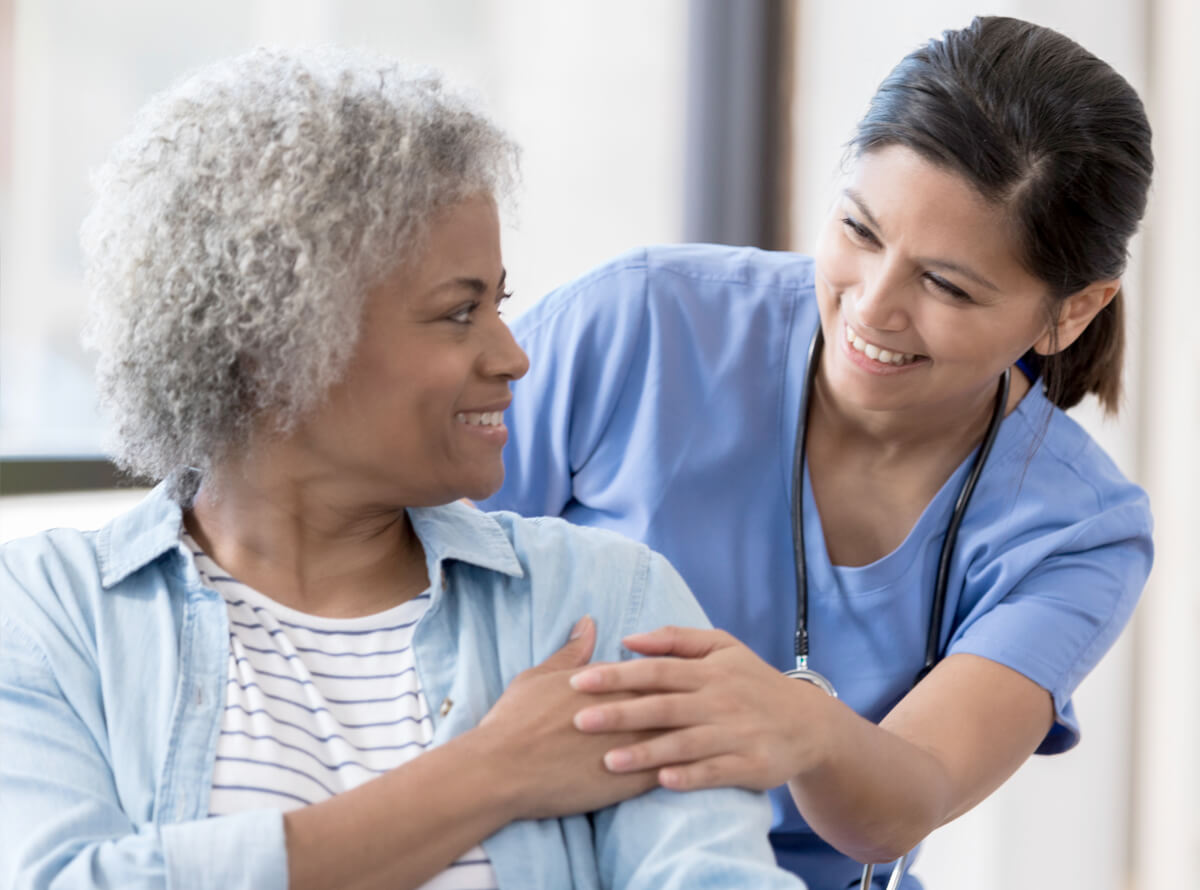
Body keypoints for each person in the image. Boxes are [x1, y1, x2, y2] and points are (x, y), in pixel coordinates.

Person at [0, 48, 807, 890]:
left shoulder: (605, 604)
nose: (514, 356)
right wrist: (489, 772)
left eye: (500, 302)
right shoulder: (51, 616)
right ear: (278, 349)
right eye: (458, 312)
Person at [480, 16, 1154, 890]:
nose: (872, 308)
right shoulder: (644, 323)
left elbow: (905, 802)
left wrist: (800, 726)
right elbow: (402, 558)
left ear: (1073, 310)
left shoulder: (1079, 531)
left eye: (945, 285)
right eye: (860, 233)